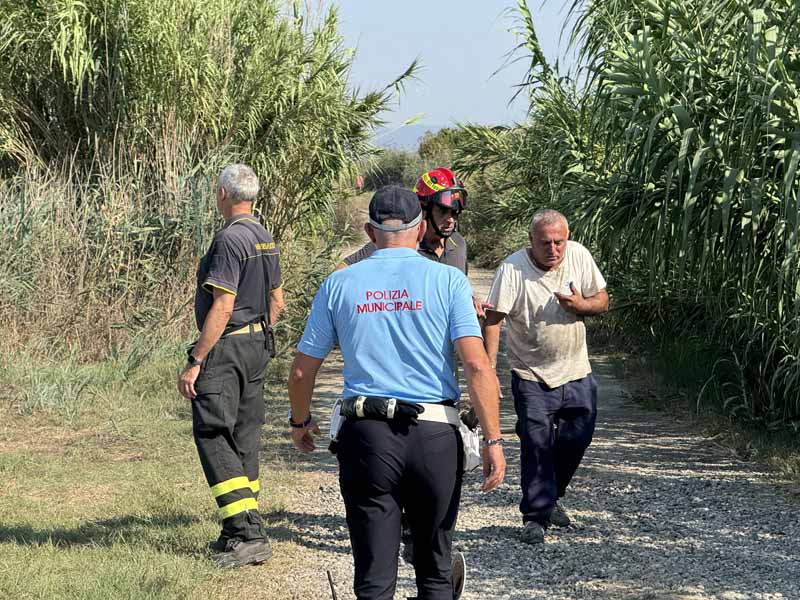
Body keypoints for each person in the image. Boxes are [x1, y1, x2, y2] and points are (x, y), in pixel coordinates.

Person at [288, 185, 506, 599]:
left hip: (366, 436)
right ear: (421, 226)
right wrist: (493, 439)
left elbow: (301, 371)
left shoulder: (338, 284)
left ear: (371, 234)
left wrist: (300, 421)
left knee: (373, 576)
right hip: (434, 436)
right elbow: (477, 365)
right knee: (435, 569)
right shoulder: (448, 281)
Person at [177, 164, 285, 568]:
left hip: (227, 348)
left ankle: (246, 532)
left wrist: (197, 360)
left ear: (222, 193)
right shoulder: (262, 236)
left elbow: (222, 306)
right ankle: (239, 528)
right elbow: (278, 301)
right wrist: (259, 337)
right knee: (244, 435)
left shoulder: (229, 240)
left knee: (211, 431)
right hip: (258, 343)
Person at [483, 208, 608, 544]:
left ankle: (551, 496)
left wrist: (580, 306)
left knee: (577, 439)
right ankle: (536, 517)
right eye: (545, 243)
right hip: (531, 373)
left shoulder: (579, 256)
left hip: (576, 370)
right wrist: (490, 372)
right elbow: (493, 320)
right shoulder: (512, 269)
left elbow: (602, 300)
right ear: (530, 242)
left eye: (559, 242)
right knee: (538, 444)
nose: (553, 250)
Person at [337, 167, 468, 276]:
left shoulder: (458, 243)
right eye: (443, 211)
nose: (450, 220)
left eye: (455, 212)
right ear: (423, 209)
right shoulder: (397, 242)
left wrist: (473, 299)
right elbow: (340, 272)